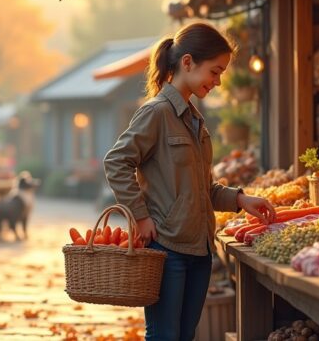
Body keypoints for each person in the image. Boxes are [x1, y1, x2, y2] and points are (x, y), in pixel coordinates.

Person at [104, 22, 276, 340]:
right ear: (187, 63)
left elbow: (203, 188)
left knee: (185, 336)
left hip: (200, 250)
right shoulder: (156, 113)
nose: (219, 81)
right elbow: (116, 161)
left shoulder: (195, 119)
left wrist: (240, 199)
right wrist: (140, 216)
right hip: (166, 248)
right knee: (165, 336)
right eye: (215, 71)